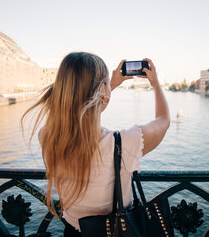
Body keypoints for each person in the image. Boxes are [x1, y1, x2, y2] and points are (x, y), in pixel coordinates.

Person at [22, 52, 170, 236]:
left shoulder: (48, 136)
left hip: (73, 232)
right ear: (102, 91)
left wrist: (108, 86)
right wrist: (155, 84)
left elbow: (77, 112)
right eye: (106, 83)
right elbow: (163, 120)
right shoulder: (123, 143)